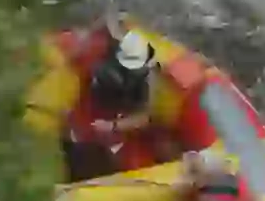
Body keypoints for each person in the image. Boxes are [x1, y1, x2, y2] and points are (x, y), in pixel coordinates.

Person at [63, 29, 179, 176]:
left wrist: (112, 126)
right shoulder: (109, 51)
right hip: (96, 105)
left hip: (116, 114)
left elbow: (143, 117)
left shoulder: (145, 82)